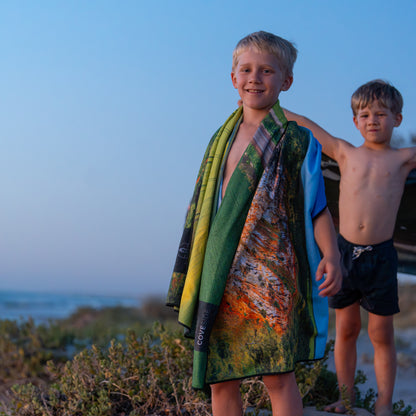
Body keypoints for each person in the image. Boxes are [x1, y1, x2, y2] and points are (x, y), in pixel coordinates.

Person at [166, 31, 342, 416]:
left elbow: (318, 208)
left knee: (278, 374)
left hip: (273, 271)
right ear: (233, 78)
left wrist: (332, 256)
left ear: (286, 81)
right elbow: (208, 209)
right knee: (221, 375)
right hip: (221, 269)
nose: (255, 78)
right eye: (246, 69)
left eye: (267, 71)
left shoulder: (298, 141)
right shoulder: (220, 140)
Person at [284, 80, 416, 416]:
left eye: (381, 114)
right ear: (356, 121)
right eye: (366, 114)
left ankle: (384, 403)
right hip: (343, 255)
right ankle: (346, 398)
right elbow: (308, 126)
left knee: (381, 333)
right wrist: (270, 107)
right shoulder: (345, 152)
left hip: (381, 257)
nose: (373, 120)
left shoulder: (403, 159)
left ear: (397, 119)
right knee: (346, 330)